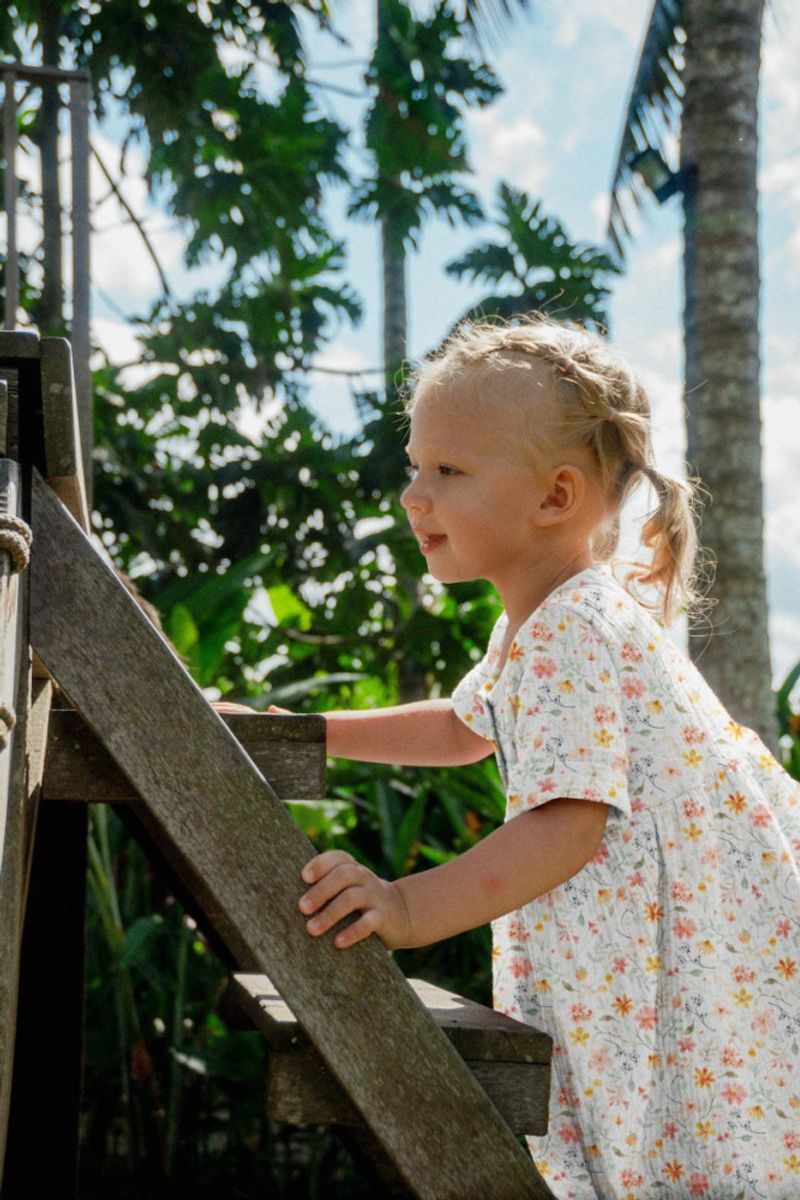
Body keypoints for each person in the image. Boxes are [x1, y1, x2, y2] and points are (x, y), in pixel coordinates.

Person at [220, 316, 800, 1199]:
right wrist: (312, 731)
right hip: (651, 955)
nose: (414, 495)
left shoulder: (574, 629)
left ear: (554, 497)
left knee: (683, 1144)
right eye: (416, 464)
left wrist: (405, 907)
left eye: (448, 471)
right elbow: (462, 727)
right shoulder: (544, 622)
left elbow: (569, 827)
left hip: (671, 964)